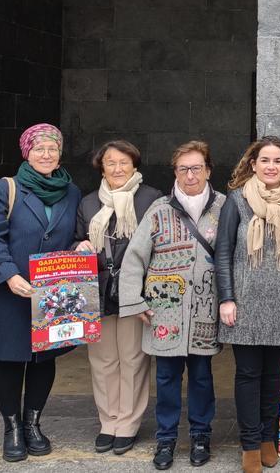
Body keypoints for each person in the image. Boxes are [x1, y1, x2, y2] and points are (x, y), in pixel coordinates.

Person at [0, 123, 82, 463]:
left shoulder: (71, 191)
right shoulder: (6, 189)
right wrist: (8, 274)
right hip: (12, 291)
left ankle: (33, 422)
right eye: (39, 149)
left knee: (43, 359)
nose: (46, 155)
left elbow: (72, 235)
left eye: (52, 149)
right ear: (26, 152)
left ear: (60, 153)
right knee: (10, 359)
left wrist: (82, 245)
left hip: (52, 293)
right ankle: (12, 428)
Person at [120, 141, 224, 470]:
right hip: (165, 310)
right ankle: (165, 439)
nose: (190, 175)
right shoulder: (159, 209)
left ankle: (200, 435)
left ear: (208, 170)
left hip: (206, 308)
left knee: (202, 376)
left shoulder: (225, 207)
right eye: (183, 169)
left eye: (196, 168)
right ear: (175, 172)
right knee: (166, 378)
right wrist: (134, 301)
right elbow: (135, 258)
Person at [215, 136, 280, 473]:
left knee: (273, 375)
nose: (271, 167)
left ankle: (269, 438)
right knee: (247, 374)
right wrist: (226, 298)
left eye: (278, 161)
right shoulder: (236, 201)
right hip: (243, 301)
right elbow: (224, 251)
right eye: (265, 160)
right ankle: (250, 445)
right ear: (252, 164)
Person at [74, 140, 160, 455]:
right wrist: (78, 247)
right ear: (102, 167)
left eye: (124, 162)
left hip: (134, 290)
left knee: (134, 358)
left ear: (134, 165)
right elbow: (76, 238)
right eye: (111, 163)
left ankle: (128, 423)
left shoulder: (151, 198)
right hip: (97, 290)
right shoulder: (87, 203)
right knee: (102, 360)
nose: (117, 168)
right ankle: (108, 421)